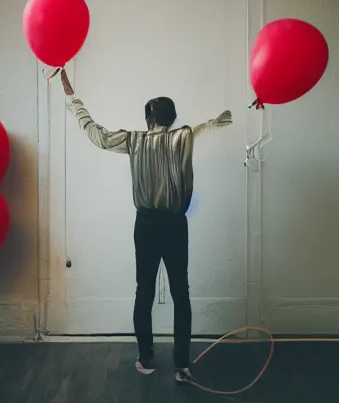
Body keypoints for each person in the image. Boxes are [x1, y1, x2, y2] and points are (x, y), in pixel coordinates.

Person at [59, 69, 232, 384]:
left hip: (148, 224)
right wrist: (238, 112)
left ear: (148, 117)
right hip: (175, 224)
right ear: (172, 116)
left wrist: (74, 100)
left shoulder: (134, 139)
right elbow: (214, 124)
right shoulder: (184, 136)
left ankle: (146, 357)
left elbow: (96, 134)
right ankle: (182, 365)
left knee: (145, 290)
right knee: (181, 293)